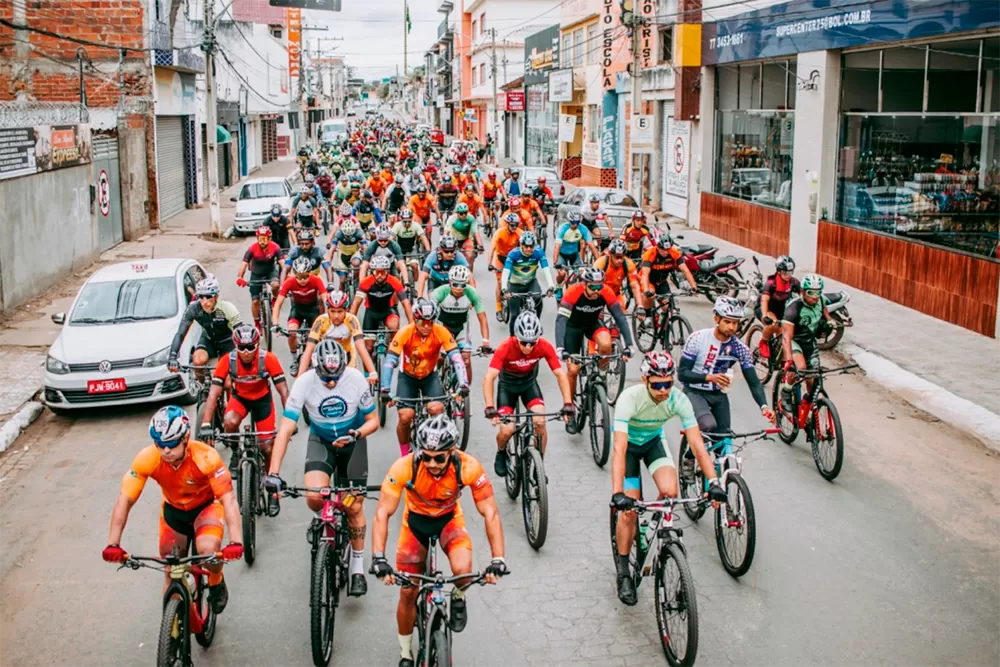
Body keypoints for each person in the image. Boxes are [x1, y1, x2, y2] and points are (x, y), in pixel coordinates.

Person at [370, 415, 508, 667]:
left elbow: (490, 512)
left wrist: (498, 558)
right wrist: (378, 557)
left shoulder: (468, 466)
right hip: (415, 525)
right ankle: (405, 653)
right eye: (426, 456)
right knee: (408, 590)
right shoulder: (404, 466)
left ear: (452, 452)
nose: (432, 463)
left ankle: (458, 595)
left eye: (439, 457)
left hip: (449, 521)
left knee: (463, 572)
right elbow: (382, 513)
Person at [610, 352, 728, 605]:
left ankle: (652, 525)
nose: (664, 390)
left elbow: (696, 444)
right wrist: (617, 492)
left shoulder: (678, 399)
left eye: (668, 384)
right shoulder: (629, 399)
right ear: (645, 380)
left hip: (653, 442)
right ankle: (623, 572)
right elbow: (619, 448)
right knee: (629, 511)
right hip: (629, 448)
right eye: (657, 385)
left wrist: (714, 483)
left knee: (670, 493)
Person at [264, 340, 379, 598]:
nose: (331, 384)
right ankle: (323, 518)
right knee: (315, 497)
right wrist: (273, 473)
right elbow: (285, 430)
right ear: (316, 369)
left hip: (353, 442)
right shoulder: (304, 382)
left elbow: (374, 420)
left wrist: (356, 434)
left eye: (335, 378)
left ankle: (358, 568)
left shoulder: (356, 379)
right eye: (326, 378)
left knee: (354, 506)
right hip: (322, 441)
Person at [102, 406, 244, 613]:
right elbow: (125, 500)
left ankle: (215, 579)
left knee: (208, 551)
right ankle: (172, 630)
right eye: (160, 444)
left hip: (206, 508)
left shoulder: (206, 457)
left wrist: (236, 541)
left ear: (186, 438)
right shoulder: (147, 458)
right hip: (173, 511)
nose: (166, 450)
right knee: (171, 569)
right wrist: (113, 543)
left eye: (171, 444)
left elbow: (228, 499)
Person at [677, 296, 776, 478]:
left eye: (735, 323)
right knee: (708, 425)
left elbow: (753, 382)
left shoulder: (740, 349)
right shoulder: (697, 339)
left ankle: (724, 492)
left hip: (718, 395)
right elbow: (682, 374)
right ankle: (689, 456)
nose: (732, 328)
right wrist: (708, 377)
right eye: (728, 322)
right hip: (694, 391)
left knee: (724, 442)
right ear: (716, 319)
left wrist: (764, 407)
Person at [201, 325, 290, 513]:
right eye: (242, 347)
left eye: (251, 347)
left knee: (267, 446)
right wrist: (206, 423)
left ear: (258, 345)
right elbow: (214, 394)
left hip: (263, 402)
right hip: (240, 399)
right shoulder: (228, 361)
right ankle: (235, 451)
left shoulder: (269, 360)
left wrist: (290, 421)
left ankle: (273, 493)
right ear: (236, 346)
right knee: (230, 422)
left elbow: (283, 391)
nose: (247, 352)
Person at [483, 311, 573, 477]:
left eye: (532, 342)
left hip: (528, 385)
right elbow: (489, 377)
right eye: (524, 342)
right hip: (507, 387)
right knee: (506, 431)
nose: (528, 347)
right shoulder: (505, 346)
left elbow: (561, 374)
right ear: (517, 337)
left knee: (540, 422)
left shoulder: (544, 346)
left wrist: (568, 403)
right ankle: (501, 451)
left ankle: (539, 465)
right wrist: (489, 406)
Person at [380, 299, 468, 457]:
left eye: (430, 322)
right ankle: (405, 454)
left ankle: (436, 445)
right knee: (405, 416)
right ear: (415, 319)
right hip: (408, 377)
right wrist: (385, 388)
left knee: (437, 410)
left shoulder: (441, 331)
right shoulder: (405, 332)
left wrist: (463, 383)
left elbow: (456, 358)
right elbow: (389, 362)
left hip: (429, 376)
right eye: (422, 322)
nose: (426, 326)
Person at [554, 266, 634, 398]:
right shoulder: (573, 291)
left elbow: (620, 317)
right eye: (592, 287)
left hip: (593, 323)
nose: (596, 291)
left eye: (599, 287)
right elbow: (561, 320)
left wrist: (629, 345)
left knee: (606, 344)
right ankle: (571, 405)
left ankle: (601, 376)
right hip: (573, 327)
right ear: (584, 284)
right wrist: (560, 348)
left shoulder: (606, 292)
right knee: (573, 370)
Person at [778, 274, 835, 412]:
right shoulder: (793, 308)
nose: (815, 296)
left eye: (818, 292)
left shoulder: (820, 300)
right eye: (811, 293)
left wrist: (829, 320)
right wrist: (789, 361)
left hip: (810, 341)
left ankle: (811, 407)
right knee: (801, 367)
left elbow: (825, 308)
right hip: (794, 342)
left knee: (812, 378)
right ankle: (786, 391)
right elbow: (786, 337)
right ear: (803, 292)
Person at [301, 289, 378, 383]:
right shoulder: (320, 321)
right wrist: (299, 377)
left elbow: (361, 347)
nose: (336, 316)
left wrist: (373, 372)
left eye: (340, 311)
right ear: (327, 310)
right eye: (332, 311)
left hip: (346, 356)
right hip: (325, 357)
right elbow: (309, 349)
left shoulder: (352, 320)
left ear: (346, 310)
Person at [168, 275, 241, 373]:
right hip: (208, 339)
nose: (204, 301)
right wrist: (172, 357)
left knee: (226, 380)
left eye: (208, 296)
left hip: (227, 341)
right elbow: (180, 334)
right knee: (197, 362)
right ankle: (203, 385)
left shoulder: (227, 308)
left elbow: (239, 333)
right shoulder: (194, 309)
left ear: (216, 296)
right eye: (201, 297)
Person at [430, 265, 490, 383]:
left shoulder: (472, 293)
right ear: (449, 282)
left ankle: (465, 390)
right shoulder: (440, 292)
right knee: (439, 358)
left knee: (466, 360)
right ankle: (432, 381)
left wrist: (486, 341)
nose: (458, 288)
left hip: (461, 329)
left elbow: (482, 318)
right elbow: (429, 312)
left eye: (462, 285)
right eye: (455, 284)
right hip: (443, 328)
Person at [272, 256, 327, 375]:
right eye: (299, 277)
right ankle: (295, 360)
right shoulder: (289, 282)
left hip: (313, 310)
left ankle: (318, 357)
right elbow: (278, 304)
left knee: (318, 336)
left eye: (305, 276)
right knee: (292, 332)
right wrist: (275, 323)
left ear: (309, 273)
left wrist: (328, 318)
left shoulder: (316, 280)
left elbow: (326, 299)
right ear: (294, 274)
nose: (302, 280)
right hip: (297, 310)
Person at [351, 254, 414, 357]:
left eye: (382, 272)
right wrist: (350, 323)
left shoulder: (394, 281)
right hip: (371, 313)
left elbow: (405, 303)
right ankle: (368, 373)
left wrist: (412, 323)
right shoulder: (365, 283)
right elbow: (356, 304)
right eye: (376, 272)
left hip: (387, 311)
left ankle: (392, 349)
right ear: (372, 272)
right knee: (368, 348)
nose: (379, 275)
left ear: (387, 271)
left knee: (394, 325)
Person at [501, 231, 554, 332]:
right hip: (515, 284)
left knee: (538, 297)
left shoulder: (538, 252)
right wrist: (504, 288)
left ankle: (537, 321)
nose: (529, 249)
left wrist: (551, 286)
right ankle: (512, 340)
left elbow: (546, 270)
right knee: (515, 316)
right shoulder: (513, 254)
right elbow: (506, 272)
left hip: (531, 282)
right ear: (521, 245)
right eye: (526, 246)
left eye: (531, 246)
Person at [236, 227, 282, 331]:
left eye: (265, 239)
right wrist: (240, 277)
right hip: (256, 273)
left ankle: (274, 300)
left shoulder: (275, 247)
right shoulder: (252, 248)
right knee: (255, 301)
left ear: (269, 238)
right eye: (260, 239)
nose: (262, 242)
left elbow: (283, 263)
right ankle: (257, 323)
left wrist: (287, 277)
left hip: (270, 271)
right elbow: (244, 264)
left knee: (275, 285)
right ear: (257, 238)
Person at [639, 235, 698, 315]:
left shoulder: (674, 253)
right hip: (649, 281)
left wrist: (693, 286)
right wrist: (646, 291)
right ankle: (647, 316)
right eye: (663, 250)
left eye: (668, 249)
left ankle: (662, 323)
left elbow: (685, 270)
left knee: (667, 307)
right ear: (658, 247)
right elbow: (645, 274)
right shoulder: (650, 254)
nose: (666, 252)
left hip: (662, 282)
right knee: (650, 295)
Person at [756, 255, 800, 357]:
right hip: (766, 307)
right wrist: (764, 315)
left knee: (784, 335)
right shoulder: (771, 283)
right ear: (779, 271)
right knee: (773, 325)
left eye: (791, 272)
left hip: (780, 309)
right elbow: (764, 300)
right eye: (785, 272)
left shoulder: (794, 282)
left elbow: (803, 296)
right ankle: (763, 342)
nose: (788, 275)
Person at [553, 211, 598, 296]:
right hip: (562, 254)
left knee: (582, 274)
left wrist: (598, 261)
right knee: (562, 273)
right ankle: (559, 287)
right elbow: (557, 246)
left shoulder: (583, 228)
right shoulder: (562, 228)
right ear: (569, 221)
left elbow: (592, 246)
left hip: (574, 254)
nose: (576, 225)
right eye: (573, 223)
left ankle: (579, 290)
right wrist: (555, 262)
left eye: (577, 222)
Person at [594, 239, 643, 309]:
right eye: (617, 257)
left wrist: (640, 306)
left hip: (615, 294)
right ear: (610, 254)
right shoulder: (601, 262)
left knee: (622, 314)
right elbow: (592, 284)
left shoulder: (628, 264)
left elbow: (635, 286)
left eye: (622, 257)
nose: (619, 260)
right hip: (599, 293)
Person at [390, 208, 431, 280]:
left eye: (409, 221)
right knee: (397, 267)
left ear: (412, 218)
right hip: (399, 249)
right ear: (401, 219)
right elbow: (391, 238)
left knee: (414, 266)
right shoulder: (397, 225)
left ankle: (414, 286)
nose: (407, 224)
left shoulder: (416, 225)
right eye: (404, 221)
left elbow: (423, 238)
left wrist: (428, 250)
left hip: (411, 248)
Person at [326, 219, 367, 290]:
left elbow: (365, 248)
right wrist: (329, 261)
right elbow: (332, 249)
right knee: (342, 281)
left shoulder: (359, 233)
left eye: (350, 235)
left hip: (354, 253)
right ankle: (341, 296)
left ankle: (356, 280)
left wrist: (367, 261)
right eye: (346, 236)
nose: (348, 237)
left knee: (356, 263)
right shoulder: (338, 234)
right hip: (342, 255)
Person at [444, 202, 484, 267]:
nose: (464, 215)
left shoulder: (471, 218)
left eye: (465, 213)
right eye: (461, 213)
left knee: (470, 255)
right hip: (454, 240)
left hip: (466, 239)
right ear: (457, 213)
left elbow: (476, 233)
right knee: (449, 256)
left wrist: (481, 246)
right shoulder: (452, 219)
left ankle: (469, 274)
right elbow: (446, 233)